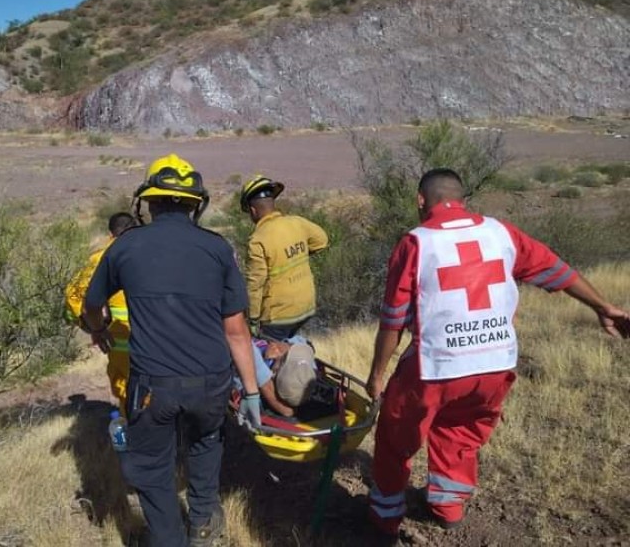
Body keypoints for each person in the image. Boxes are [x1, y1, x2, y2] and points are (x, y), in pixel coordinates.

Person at [364, 168, 630, 536]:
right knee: (461, 431)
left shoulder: (416, 242)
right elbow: (557, 271)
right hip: (495, 364)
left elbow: (394, 319)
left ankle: (385, 517)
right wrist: (603, 306)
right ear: (463, 199)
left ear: (420, 201)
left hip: (436, 366)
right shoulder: (501, 232)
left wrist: (378, 374)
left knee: (396, 434)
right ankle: (448, 504)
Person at [83, 154, 260, 547]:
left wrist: (99, 330)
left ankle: (167, 538)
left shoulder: (125, 246)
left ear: (150, 201)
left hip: (152, 385)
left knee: (153, 467)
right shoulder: (218, 249)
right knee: (205, 445)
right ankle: (202, 525)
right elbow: (236, 330)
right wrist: (250, 392)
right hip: (211, 381)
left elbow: (91, 306)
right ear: (195, 203)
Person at [239, 175, 329, 340]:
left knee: (268, 353)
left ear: (253, 211)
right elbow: (322, 240)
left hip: (278, 316)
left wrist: (252, 320)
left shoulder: (258, 239)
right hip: (306, 306)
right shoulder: (297, 222)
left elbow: (255, 284)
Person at [65, 212, 137, 413]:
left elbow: (74, 295)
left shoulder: (100, 257)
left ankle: (134, 434)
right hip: (158, 335)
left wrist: (92, 326)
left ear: (110, 233)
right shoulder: (152, 251)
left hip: (119, 338)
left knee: (127, 388)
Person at [238, 336, 318, 418]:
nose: (276, 348)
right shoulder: (307, 372)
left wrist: (265, 357)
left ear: (273, 373)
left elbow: (239, 339)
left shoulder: (255, 367)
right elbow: (300, 341)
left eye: (284, 356)